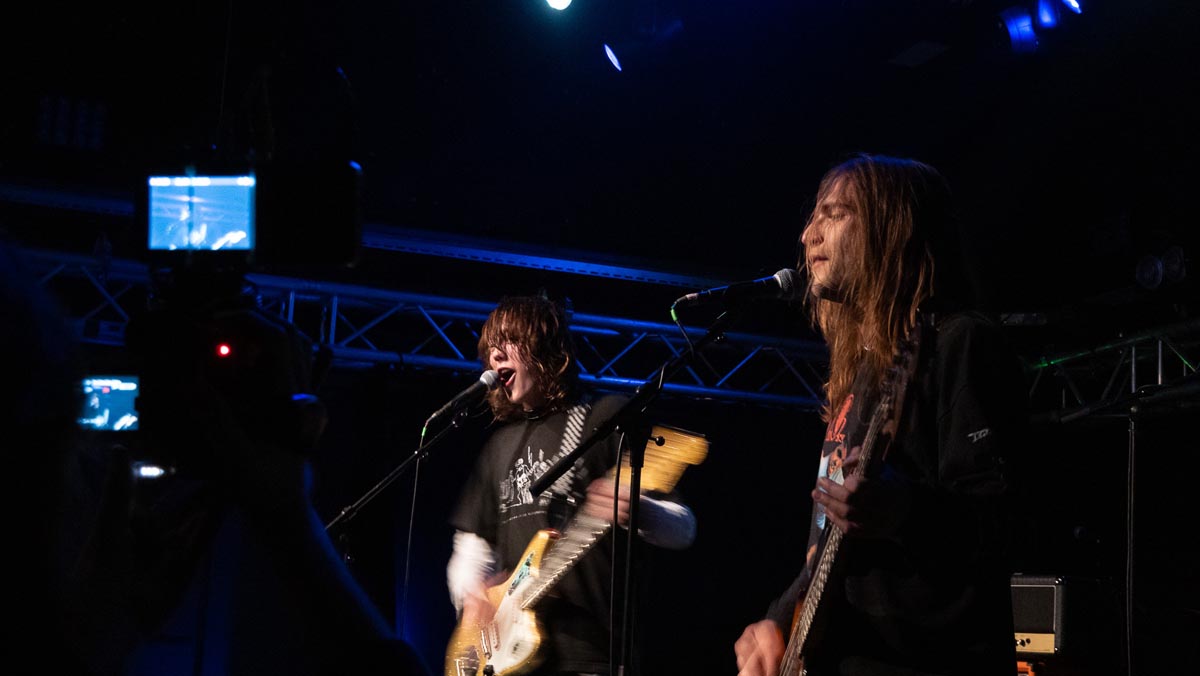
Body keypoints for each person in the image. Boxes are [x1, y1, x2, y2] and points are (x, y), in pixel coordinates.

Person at [733, 155, 1026, 676]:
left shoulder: (960, 343)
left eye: (835, 214)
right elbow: (830, 547)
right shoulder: (865, 375)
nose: (808, 235)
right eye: (814, 217)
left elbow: (1009, 522)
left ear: (893, 231)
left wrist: (906, 511)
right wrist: (780, 619)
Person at [446, 295, 697, 676]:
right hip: (509, 657)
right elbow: (472, 550)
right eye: (490, 349)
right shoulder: (498, 445)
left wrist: (641, 511)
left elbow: (684, 527)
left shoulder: (607, 417)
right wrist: (473, 598)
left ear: (544, 347)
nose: (495, 356)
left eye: (508, 341)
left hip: (593, 656)